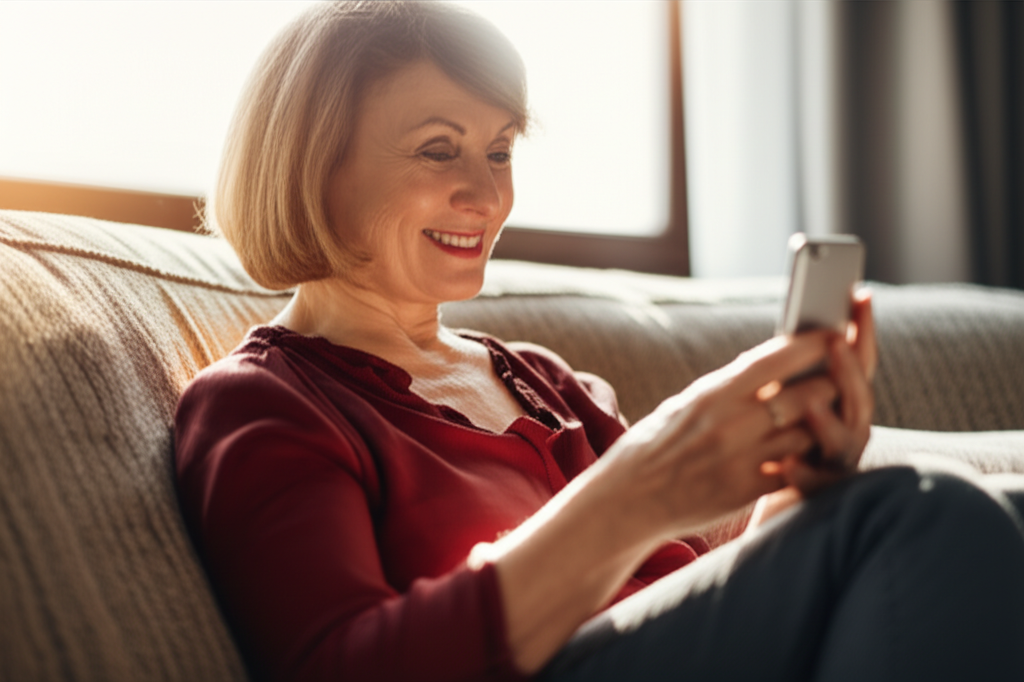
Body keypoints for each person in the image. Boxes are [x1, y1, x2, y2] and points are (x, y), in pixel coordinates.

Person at [173, 2, 1024, 681]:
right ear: (313, 165)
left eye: (499, 152)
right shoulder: (263, 403)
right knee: (927, 511)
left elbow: (700, 606)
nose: (485, 195)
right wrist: (635, 493)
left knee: (991, 513)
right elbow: (339, 665)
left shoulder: (542, 381)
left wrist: (804, 495)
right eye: (439, 150)